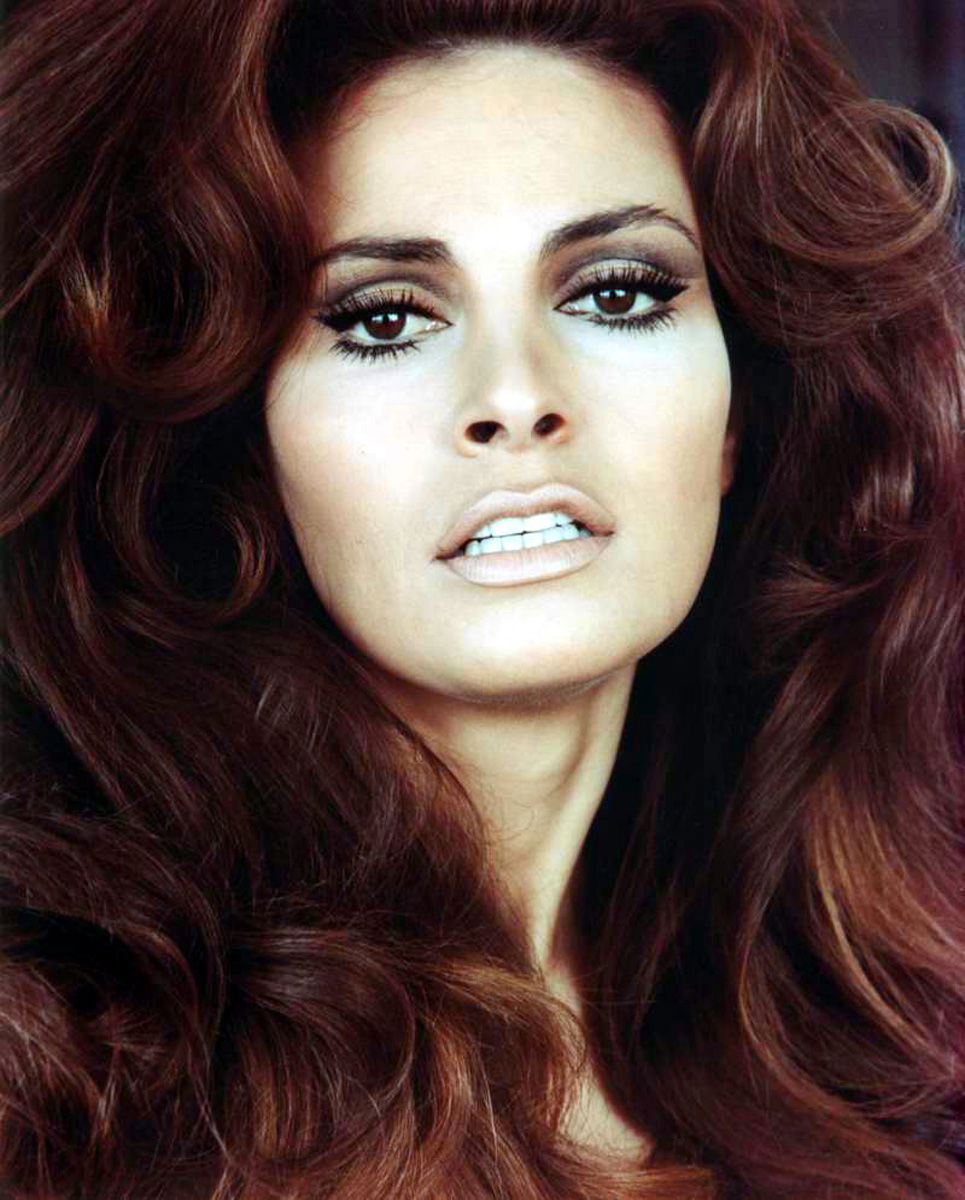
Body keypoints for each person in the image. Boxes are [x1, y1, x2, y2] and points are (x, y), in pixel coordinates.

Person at [2, 0, 964, 1197]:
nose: (515, 398)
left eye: (615, 294)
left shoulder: (867, 1057)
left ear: (740, 409)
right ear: (243, 444)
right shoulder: (64, 1085)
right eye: (384, 319)